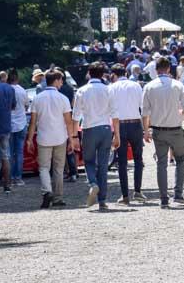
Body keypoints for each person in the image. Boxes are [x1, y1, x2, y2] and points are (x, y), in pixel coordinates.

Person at [142, 57, 184, 208]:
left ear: (156, 70)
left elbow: (144, 112)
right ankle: (178, 194)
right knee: (181, 160)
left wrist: (145, 131)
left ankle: (164, 198)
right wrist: (180, 115)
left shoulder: (149, 87)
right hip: (175, 129)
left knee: (161, 163)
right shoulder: (178, 85)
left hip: (158, 130)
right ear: (169, 69)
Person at [73, 62, 119, 210]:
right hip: (106, 128)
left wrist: (74, 136)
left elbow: (76, 116)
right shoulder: (108, 90)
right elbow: (115, 115)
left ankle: (93, 183)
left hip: (89, 128)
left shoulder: (82, 90)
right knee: (103, 165)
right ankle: (102, 200)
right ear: (103, 74)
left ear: (89, 73)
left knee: (89, 161)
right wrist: (116, 134)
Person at [26, 69, 74, 209]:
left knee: (44, 168)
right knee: (59, 169)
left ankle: (47, 191)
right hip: (60, 137)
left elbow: (33, 122)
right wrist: (71, 138)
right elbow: (68, 121)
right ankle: (58, 197)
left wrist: (29, 139)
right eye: (61, 80)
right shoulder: (63, 98)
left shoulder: (37, 98)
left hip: (43, 137)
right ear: (56, 80)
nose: (62, 82)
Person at [108, 63, 147, 204]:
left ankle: (125, 195)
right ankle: (137, 190)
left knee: (122, 162)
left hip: (120, 124)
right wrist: (145, 127)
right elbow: (142, 107)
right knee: (138, 159)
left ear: (113, 74)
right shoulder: (136, 85)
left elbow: (110, 110)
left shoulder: (111, 88)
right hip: (135, 123)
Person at [8, 70, 29, 187]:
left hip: (9, 124)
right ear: (17, 79)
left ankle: (10, 178)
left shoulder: (7, 90)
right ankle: (19, 177)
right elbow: (26, 105)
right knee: (20, 152)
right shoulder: (22, 90)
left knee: (10, 153)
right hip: (21, 123)